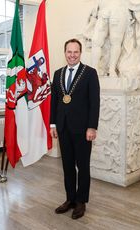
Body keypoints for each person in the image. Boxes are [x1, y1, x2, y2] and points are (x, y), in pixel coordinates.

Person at [50, 39, 100, 219]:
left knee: (83, 166)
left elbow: (95, 103)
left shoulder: (90, 73)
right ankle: (70, 199)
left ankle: (81, 201)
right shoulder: (57, 74)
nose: (72, 55)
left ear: (80, 53)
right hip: (63, 127)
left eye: (75, 52)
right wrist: (53, 124)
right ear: (65, 53)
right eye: (69, 52)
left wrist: (92, 127)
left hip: (82, 129)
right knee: (67, 166)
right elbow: (54, 101)